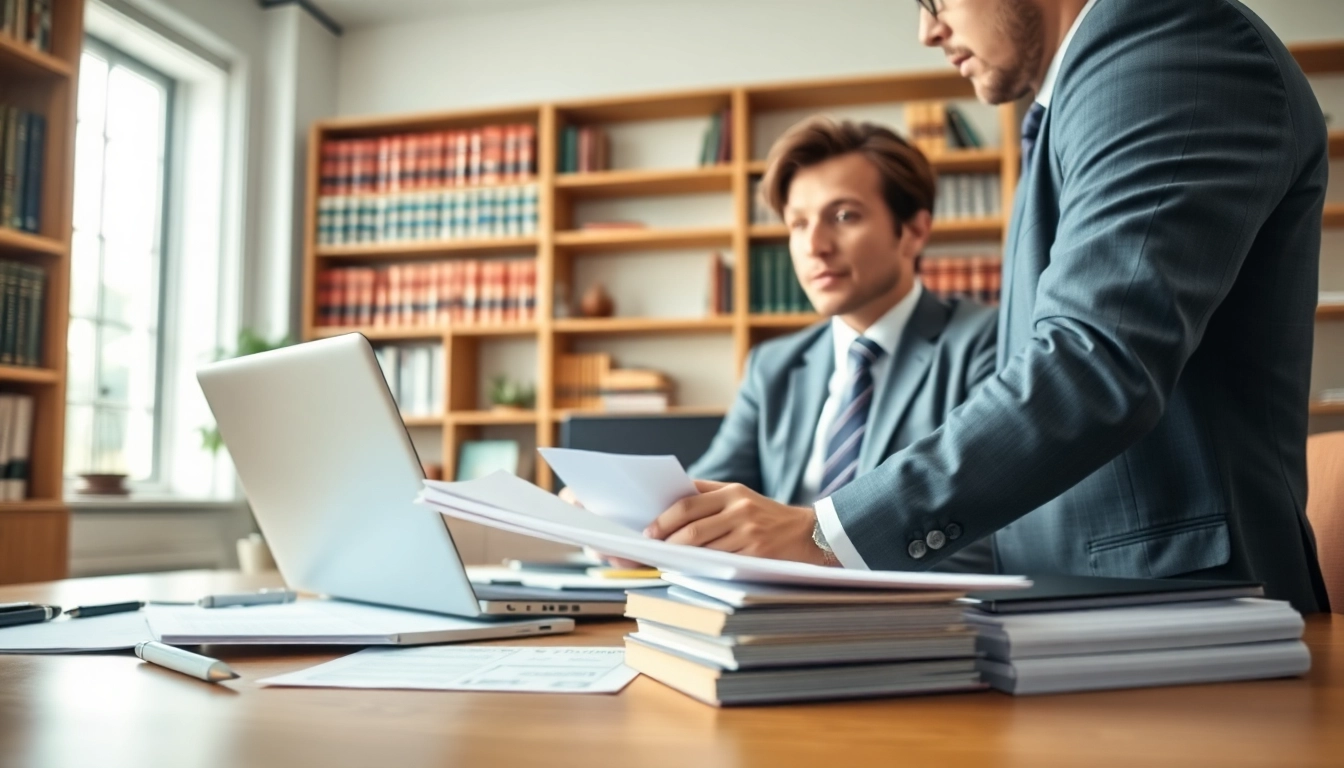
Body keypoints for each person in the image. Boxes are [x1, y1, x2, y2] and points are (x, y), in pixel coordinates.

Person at [644, 0, 1330, 613]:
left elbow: (1094, 358)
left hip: (1179, 614)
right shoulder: (1079, 96)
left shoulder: (1167, 48)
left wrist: (827, 534)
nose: (927, 30)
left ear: (913, 231)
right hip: (1078, 610)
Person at [675, 117, 999, 572]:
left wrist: (822, 542)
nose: (815, 245)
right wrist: (644, 524)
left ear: (914, 231)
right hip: (772, 603)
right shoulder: (773, 364)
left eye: (844, 216)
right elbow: (707, 493)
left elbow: (994, 527)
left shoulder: (986, 342)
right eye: (797, 223)